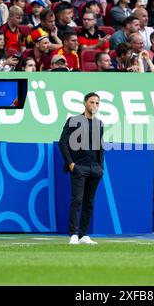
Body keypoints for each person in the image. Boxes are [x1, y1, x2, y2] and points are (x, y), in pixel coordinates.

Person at [59, 92, 104, 245]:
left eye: (97, 103)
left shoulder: (99, 123)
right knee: (77, 200)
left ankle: (83, 234)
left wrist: (101, 167)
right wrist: (71, 164)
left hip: (95, 169)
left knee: (89, 202)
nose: (94, 106)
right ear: (85, 103)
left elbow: (101, 147)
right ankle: (73, 234)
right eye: (92, 102)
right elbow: (63, 143)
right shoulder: (74, 121)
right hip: (79, 167)